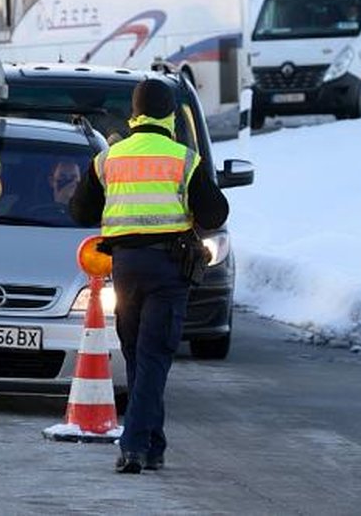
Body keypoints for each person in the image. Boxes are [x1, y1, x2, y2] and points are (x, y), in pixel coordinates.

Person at [70, 78, 229, 475]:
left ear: (134, 115)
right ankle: (134, 445)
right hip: (169, 268)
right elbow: (216, 214)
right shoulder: (183, 158)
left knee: (139, 353)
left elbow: (79, 210)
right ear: (171, 116)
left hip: (125, 268)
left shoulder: (109, 158)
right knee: (155, 355)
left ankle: (153, 444)